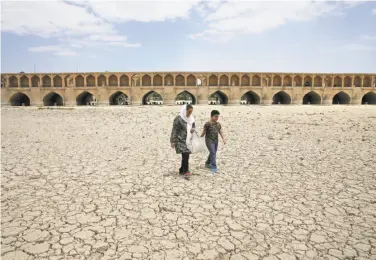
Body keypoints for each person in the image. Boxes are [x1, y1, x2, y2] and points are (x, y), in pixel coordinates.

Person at [170, 105, 196, 180]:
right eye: (188, 112)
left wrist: (193, 129)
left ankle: (182, 169)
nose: (189, 114)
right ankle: (186, 171)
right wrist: (172, 140)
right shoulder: (178, 119)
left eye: (191, 112)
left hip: (188, 140)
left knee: (185, 155)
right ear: (185, 110)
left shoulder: (191, 118)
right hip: (180, 140)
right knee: (186, 154)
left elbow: (193, 125)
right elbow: (174, 130)